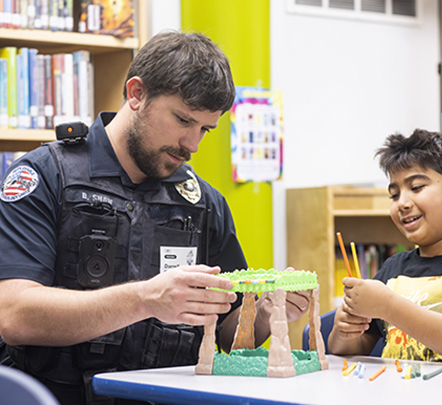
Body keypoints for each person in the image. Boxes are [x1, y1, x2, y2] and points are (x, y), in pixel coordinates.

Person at [0, 31, 310, 405]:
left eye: (205, 130)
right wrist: (146, 299)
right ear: (136, 94)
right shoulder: (45, 175)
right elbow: (15, 315)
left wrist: (264, 313)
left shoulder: (205, 203)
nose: (192, 145)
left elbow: (228, 333)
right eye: (183, 120)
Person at [328, 129, 442, 364]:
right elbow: (352, 350)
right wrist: (343, 331)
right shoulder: (392, 267)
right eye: (394, 195)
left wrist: (388, 306)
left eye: (416, 187)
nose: (402, 203)